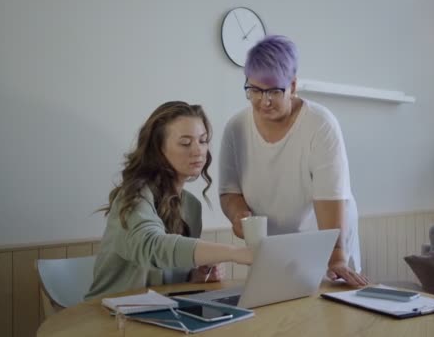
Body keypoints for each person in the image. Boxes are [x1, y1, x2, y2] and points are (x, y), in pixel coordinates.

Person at [219, 35, 368, 287]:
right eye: (255, 90)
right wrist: (238, 215)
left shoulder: (320, 125)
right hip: (273, 249)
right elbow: (229, 191)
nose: (264, 101)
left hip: (328, 242)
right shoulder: (236, 128)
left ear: (293, 85)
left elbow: (330, 199)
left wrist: (336, 258)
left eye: (274, 91)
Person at [86, 101, 252, 300]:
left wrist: (195, 276)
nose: (198, 151)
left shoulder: (191, 207)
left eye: (203, 140)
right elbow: (153, 246)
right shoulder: (132, 197)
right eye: (185, 143)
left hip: (160, 315)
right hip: (110, 317)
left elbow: (169, 274)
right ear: (158, 149)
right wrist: (233, 253)